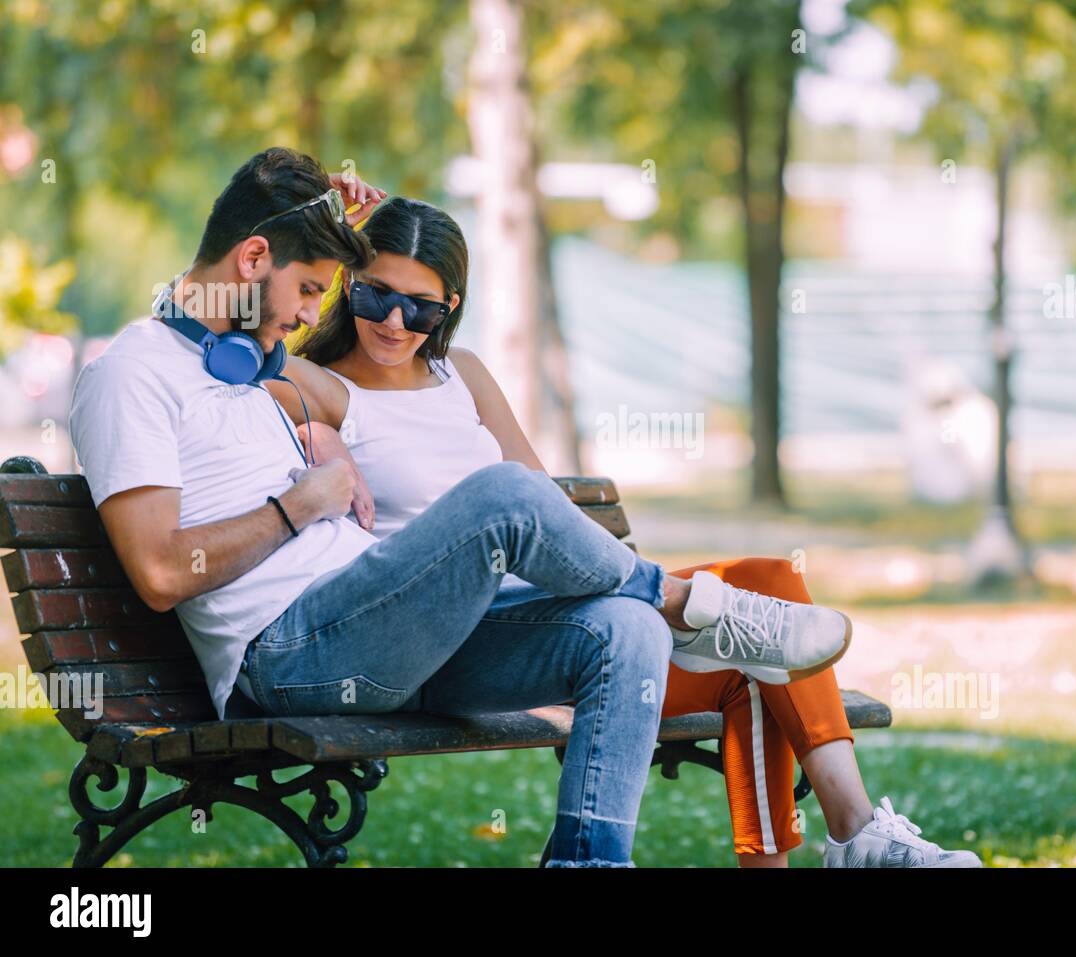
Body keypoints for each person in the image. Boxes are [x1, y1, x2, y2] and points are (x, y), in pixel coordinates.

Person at [67, 147, 850, 868]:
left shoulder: (238, 359)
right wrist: (299, 505)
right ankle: (694, 603)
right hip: (289, 655)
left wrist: (332, 207)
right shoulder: (133, 374)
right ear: (252, 260)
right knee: (508, 494)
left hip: (384, 636)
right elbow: (163, 571)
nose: (311, 316)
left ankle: (591, 857)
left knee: (624, 629)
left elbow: (240, 250)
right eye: (311, 290)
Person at [266, 191, 983, 868]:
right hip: (440, 640)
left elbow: (544, 510)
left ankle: (854, 826)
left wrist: (607, 589)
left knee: (769, 593)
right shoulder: (317, 382)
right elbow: (195, 335)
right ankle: (692, 611)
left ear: (450, 307)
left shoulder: (465, 375)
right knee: (748, 623)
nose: (393, 322)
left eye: (418, 306)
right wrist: (309, 222)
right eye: (374, 295)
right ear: (343, 285)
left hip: (540, 616)